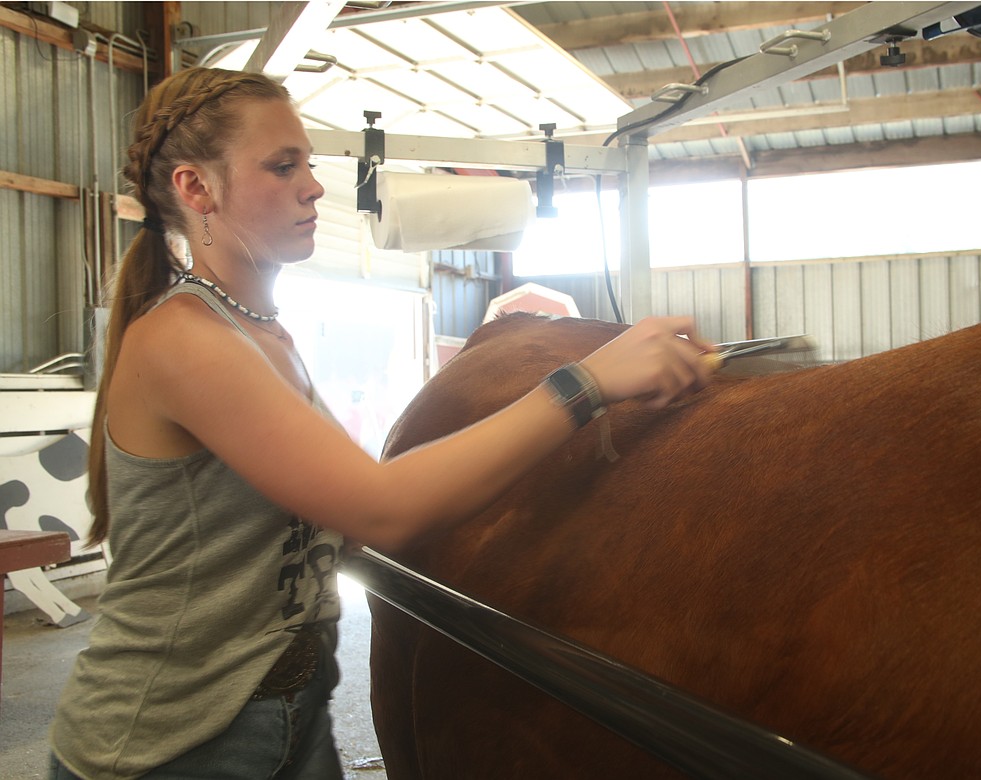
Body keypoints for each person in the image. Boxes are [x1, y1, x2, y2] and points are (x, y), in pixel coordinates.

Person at [48, 67, 714, 779]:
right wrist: (588, 382)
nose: (312, 185)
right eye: (283, 165)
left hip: (290, 713)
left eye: (307, 162)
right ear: (195, 188)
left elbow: (348, 510)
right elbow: (382, 507)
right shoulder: (184, 339)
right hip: (171, 743)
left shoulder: (262, 335)